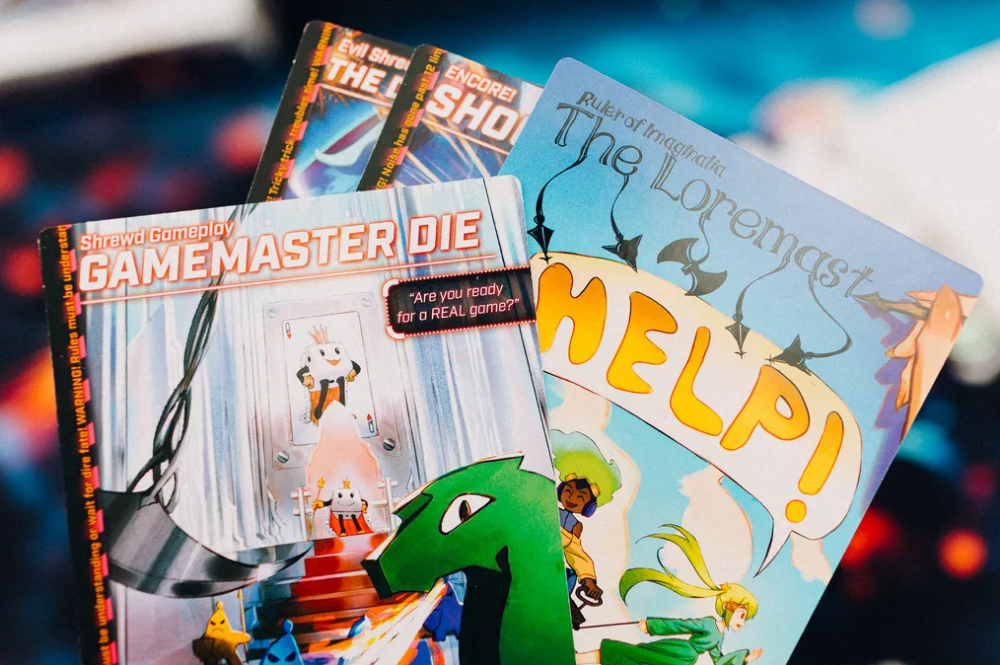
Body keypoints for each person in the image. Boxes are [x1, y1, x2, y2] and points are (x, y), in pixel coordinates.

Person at [575, 524, 763, 665]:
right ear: (730, 606)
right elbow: (681, 625)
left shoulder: (719, 637)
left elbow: (719, 661)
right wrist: (652, 625)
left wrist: (744, 658)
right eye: (742, 615)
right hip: (678, 651)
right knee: (636, 655)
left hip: (685, 660)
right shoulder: (709, 624)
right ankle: (580, 659)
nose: (742, 622)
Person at [559, 473, 604, 628]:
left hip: (556, 569)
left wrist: (589, 581)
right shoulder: (548, 510)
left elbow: (575, 552)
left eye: (580, 497)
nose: (572, 498)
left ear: (587, 507)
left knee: (568, 576)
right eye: (568, 492)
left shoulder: (575, 526)